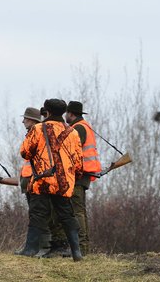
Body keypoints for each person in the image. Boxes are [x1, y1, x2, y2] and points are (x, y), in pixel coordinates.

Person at [17, 99, 84, 261]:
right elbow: (78, 163)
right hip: (63, 182)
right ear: (63, 112)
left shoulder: (38, 129)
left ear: (46, 111)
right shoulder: (73, 132)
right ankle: (76, 251)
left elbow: (25, 152)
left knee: (38, 214)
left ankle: (30, 249)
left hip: (42, 180)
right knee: (67, 215)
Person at [64, 101, 102, 255]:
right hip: (84, 174)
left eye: (66, 113)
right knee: (79, 210)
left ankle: (81, 247)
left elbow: (71, 152)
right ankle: (82, 246)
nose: (65, 116)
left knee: (77, 211)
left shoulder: (78, 128)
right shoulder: (83, 126)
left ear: (71, 114)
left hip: (79, 174)